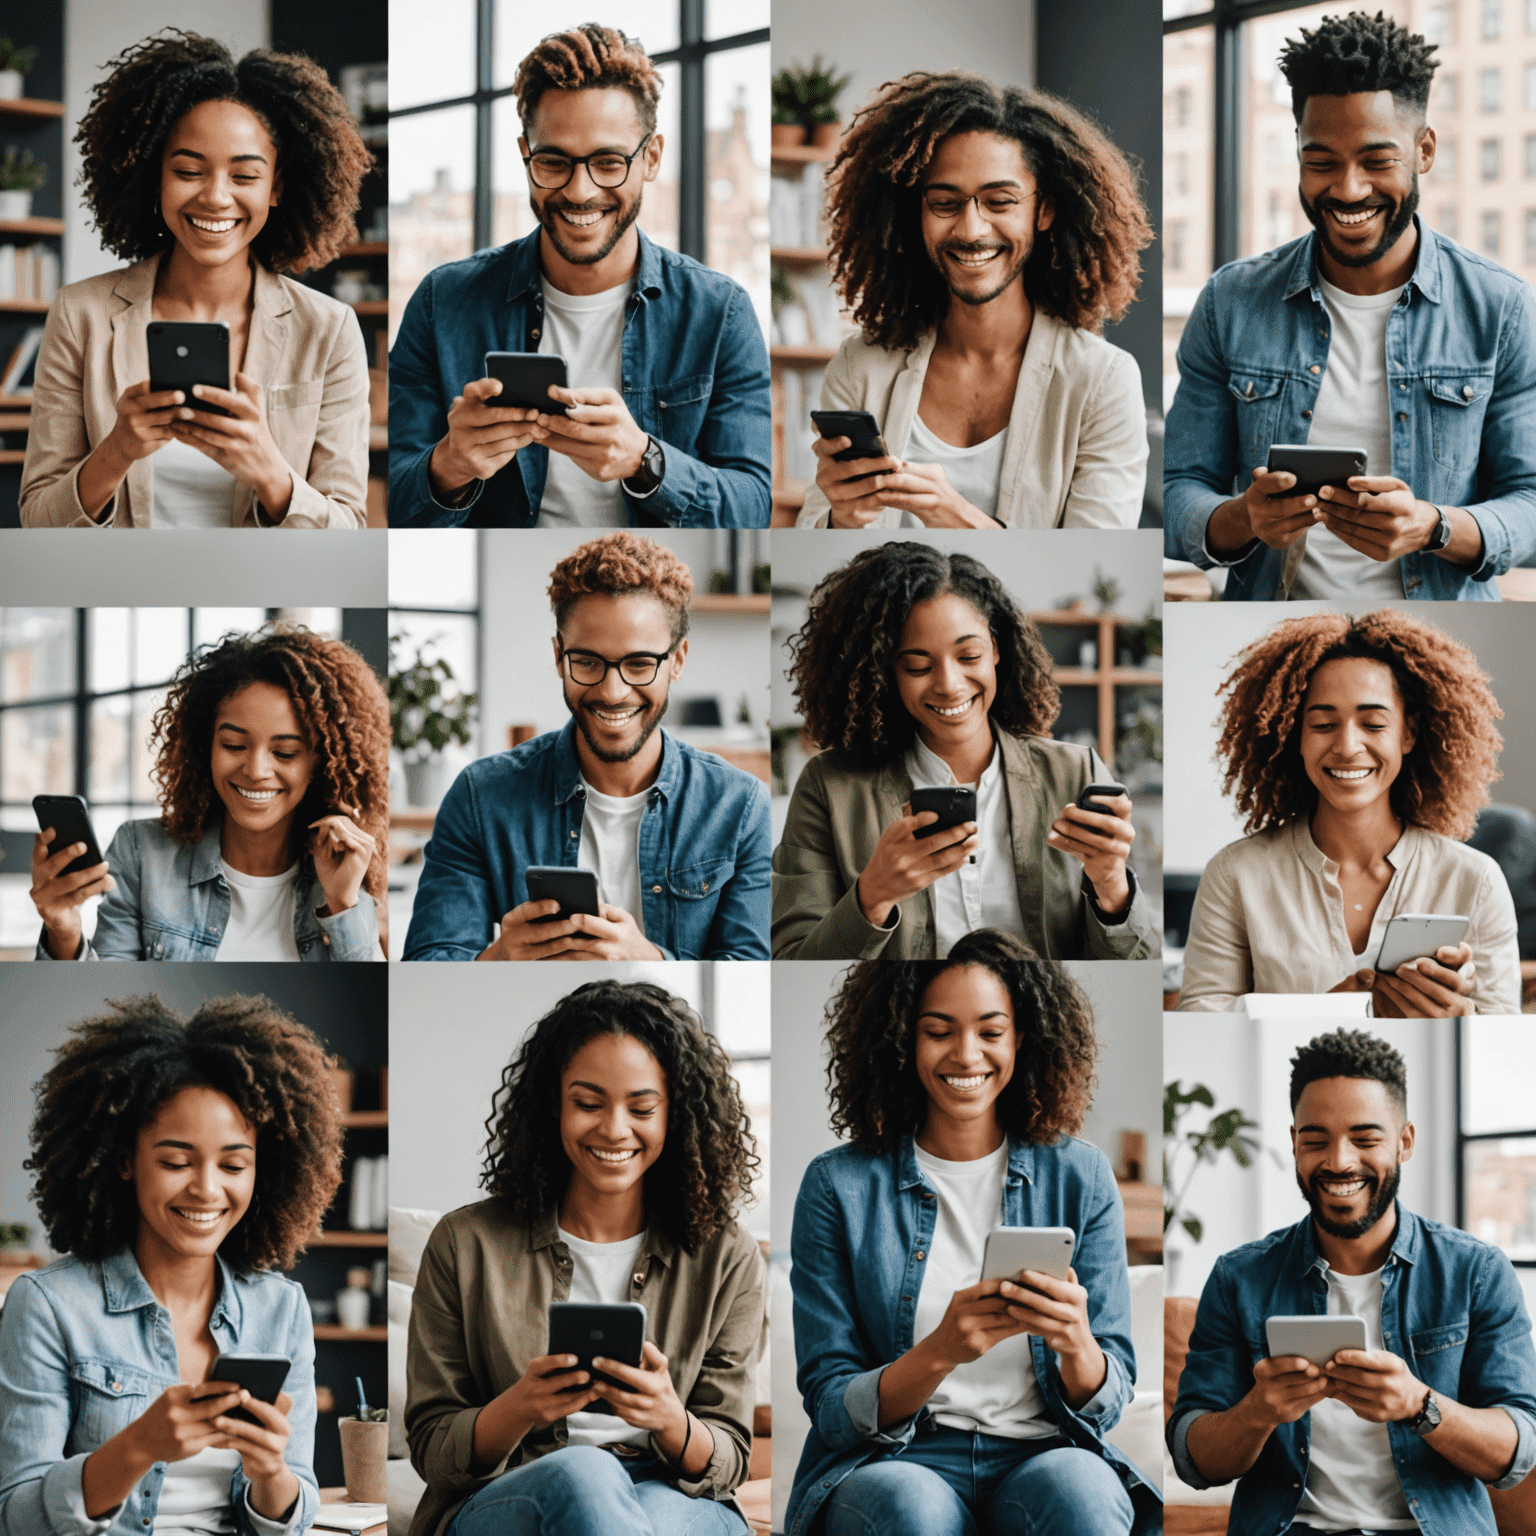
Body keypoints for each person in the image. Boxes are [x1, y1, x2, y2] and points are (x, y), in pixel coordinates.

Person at [786, 932, 1160, 1536]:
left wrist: (1074, 1342)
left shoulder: (1081, 1175)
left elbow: (1109, 1397)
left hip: (1041, 1452)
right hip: (898, 1458)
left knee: (1085, 1495)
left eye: (990, 1032)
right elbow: (832, 1407)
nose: (966, 1054)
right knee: (907, 1506)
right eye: (939, 1031)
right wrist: (940, 1352)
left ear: (1023, 1039)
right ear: (902, 1041)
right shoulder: (838, 1186)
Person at [1164, 11, 1536, 600]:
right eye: (1321, 163)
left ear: (1425, 151)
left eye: (1376, 161)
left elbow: (1531, 499)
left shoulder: (1502, 309)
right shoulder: (1230, 303)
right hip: (1268, 625)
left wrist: (1435, 527)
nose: (1348, 189)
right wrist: (1244, 519)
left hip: (1439, 632)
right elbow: (1181, 484)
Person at [406, 980, 764, 1536]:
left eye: (642, 1107)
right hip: (514, 1492)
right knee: (586, 1473)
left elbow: (730, 1458)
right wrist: (521, 1405)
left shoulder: (727, 1256)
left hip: (670, 1493)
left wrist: (670, 1419)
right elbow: (432, 1448)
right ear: (554, 1104)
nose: (614, 1130)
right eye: (588, 1103)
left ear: (677, 1114)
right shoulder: (465, 1243)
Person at [389, 23, 770, 529]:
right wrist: (450, 464)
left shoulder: (720, 313)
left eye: (608, 162)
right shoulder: (443, 302)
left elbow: (754, 504)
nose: (579, 190)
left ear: (650, 158)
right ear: (526, 155)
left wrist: (646, 461)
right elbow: (392, 503)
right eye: (554, 162)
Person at [0, 996, 344, 1536]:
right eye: (176, 1162)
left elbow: (291, 1517)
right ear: (123, 1160)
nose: (207, 1189)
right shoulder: (49, 1305)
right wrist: (138, 1445)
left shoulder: (281, 1309)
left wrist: (270, 1471)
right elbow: (16, 1516)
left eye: (233, 1164)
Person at [1168, 1028, 1536, 1533]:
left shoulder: (1476, 1272)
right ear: (1294, 1143)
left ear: (1405, 1142)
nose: (1339, 1162)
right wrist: (1257, 1411)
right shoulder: (1239, 1278)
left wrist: (1418, 1405)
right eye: (1316, 1140)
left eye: (1365, 1139)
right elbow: (1195, 1459)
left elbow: (1517, 1448)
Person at [20, 32, 373, 528]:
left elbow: (349, 529)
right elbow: (37, 520)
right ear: (155, 177)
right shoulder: (82, 315)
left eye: (245, 177)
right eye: (188, 171)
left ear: (276, 188)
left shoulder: (329, 329)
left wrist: (269, 469)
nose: (215, 197)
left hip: (259, 603)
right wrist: (118, 449)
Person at [796, 72, 1151, 531]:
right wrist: (841, 518)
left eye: (1000, 202)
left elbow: (1099, 554)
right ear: (916, 213)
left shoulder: (1103, 380)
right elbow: (814, 535)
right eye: (945, 203)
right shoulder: (861, 365)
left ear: (1043, 210)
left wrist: (950, 512)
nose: (970, 229)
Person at [772, 541, 1154, 960]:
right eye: (917, 666)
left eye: (968, 655)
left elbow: (1142, 963)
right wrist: (873, 896)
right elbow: (790, 960)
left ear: (996, 650)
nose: (950, 684)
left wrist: (1112, 886)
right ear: (886, 672)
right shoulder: (829, 788)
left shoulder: (1076, 772)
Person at [403, 532, 771, 960]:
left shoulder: (741, 806)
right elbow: (428, 960)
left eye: (639, 664)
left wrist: (647, 960)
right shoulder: (480, 797)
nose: (613, 691)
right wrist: (500, 957)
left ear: (679, 660)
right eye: (588, 662)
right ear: (559, 657)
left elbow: (754, 966)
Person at [1178, 609, 1519, 1013]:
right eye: (1323, 725)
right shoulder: (1236, 875)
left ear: (1408, 734)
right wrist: (1327, 1011)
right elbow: (1201, 1018)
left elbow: (1503, 1045)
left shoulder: (1475, 881)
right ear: (1295, 737)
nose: (1347, 746)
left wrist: (1462, 1024)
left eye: (1373, 724)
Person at [29, 623, 390, 961]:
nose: (256, 771)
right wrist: (63, 934)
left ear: (319, 762)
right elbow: (108, 1010)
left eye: (284, 753)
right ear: (206, 747)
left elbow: (377, 1013)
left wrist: (343, 904)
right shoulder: (143, 853)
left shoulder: (346, 865)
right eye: (233, 745)